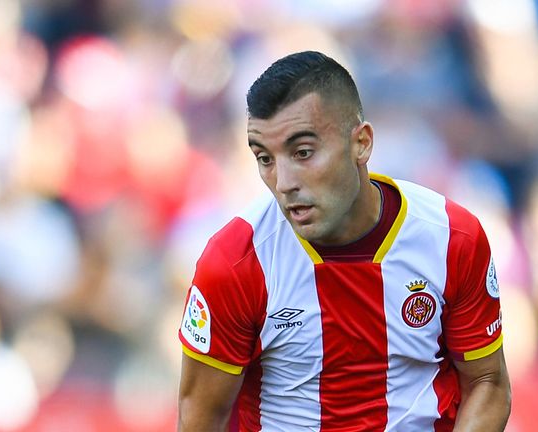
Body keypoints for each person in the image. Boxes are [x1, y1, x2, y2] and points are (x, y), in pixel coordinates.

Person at [178, 50, 511, 431]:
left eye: (302, 152)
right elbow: (201, 419)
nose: (283, 182)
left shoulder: (452, 238)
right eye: (265, 158)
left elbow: (488, 381)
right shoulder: (236, 262)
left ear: (362, 144)